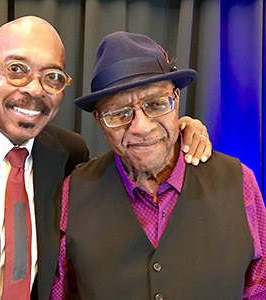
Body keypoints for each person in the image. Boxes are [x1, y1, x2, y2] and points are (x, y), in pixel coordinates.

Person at [0, 17, 211, 300]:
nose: (34, 89)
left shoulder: (68, 155)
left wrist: (178, 130)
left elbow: (134, 150)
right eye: (17, 69)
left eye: (52, 77)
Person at [50, 32, 266, 300]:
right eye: (119, 113)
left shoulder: (240, 182)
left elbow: (259, 288)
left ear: (176, 101)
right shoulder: (74, 193)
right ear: (99, 121)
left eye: (156, 104)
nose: (142, 127)